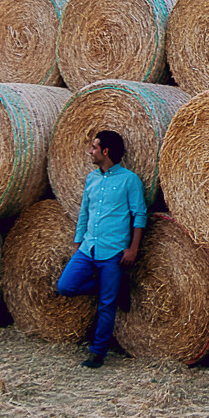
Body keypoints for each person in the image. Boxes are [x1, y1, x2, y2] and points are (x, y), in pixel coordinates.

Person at [57, 130, 147, 368]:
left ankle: (98, 352)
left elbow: (139, 215)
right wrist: (78, 242)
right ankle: (114, 288)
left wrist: (133, 249)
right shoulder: (91, 178)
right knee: (65, 286)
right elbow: (84, 211)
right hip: (88, 248)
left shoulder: (130, 180)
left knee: (106, 305)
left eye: (94, 147)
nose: (90, 150)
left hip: (114, 251)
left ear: (105, 151)